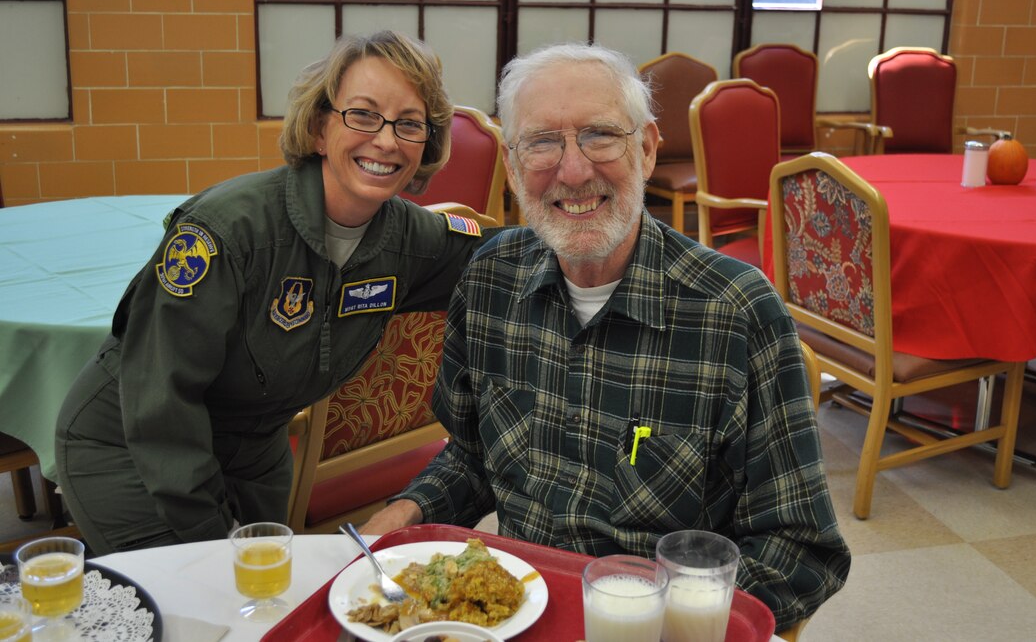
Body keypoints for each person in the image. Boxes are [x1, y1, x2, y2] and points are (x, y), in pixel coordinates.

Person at [361, 42, 850, 628]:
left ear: (645, 149)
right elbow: (471, 460)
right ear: (514, 171)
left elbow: (800, 549)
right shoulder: (490, 279)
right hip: (516, 619)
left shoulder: (735, 313)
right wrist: (402, 515)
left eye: (599, 135)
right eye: (542, 142)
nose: (572, 171)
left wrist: (661, 617)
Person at [56, 31, 488, 555]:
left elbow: (509, 256)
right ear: (319, 128)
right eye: (363, 114)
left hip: (256, 452)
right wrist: (211, 549)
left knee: (262, 607)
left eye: (409, 123)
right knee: (199, 610)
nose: (386, 140)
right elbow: (161, 406)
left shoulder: (408, 237)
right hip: (133, 449)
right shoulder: (226, 233)